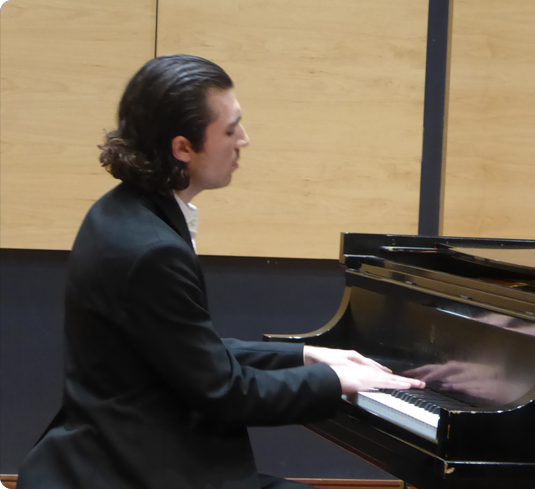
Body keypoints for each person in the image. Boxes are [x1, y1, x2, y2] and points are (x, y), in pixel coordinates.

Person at [16, 55, 424, 489]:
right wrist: (334, 381)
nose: (244, 140)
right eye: (230, 130)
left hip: (120, 449)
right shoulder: (150, 250)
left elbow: (188, 354)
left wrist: (306, 355)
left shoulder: (122, 211)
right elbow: (226, 394)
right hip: (137, 470)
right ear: (182, 148)